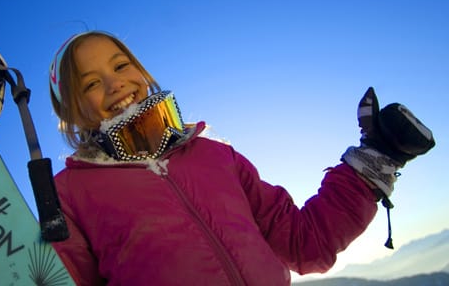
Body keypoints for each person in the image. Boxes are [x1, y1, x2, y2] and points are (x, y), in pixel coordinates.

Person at [47, 31, 435, 286]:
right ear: (71, 113)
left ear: (142, 72)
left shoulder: (215, 156)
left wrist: (368, 169)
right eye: (91, 83)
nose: (115, 83)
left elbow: (304, 244)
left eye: (120, 65)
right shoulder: (71, 193)